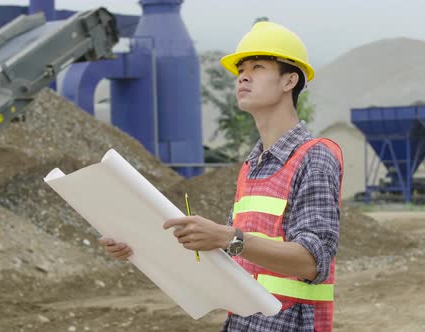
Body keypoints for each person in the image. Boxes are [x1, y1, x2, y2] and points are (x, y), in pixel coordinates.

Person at [100, 21, 344, 332]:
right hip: (242, 324)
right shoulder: (253, 166)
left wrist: (229, 238)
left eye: (257, 66)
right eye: (241, 69)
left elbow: (313, 261)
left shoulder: (315, 156)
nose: (243, 76)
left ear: (289, 80)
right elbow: (232, 260)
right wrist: (139, 247)